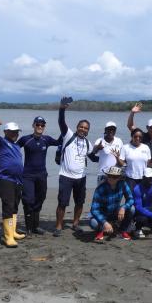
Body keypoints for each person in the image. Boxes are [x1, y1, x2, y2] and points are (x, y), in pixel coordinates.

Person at [54, 96, 94, 237]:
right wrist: (62, 109)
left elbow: (94, 158)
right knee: (62, 202)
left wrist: (104, 151)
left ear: (88, 130)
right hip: (66, 176)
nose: (83, 129)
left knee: (79, 202)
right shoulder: (68, 135)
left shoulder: (89, 143)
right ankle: (59, 226)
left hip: (81, 177)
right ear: (77, 127)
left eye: (86, 128)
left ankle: (75, 224)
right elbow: (61, 122)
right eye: (81, 127)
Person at [16, 116, 60, 235]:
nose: (40, 127)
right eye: (38, 125)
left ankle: (35, 227)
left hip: (42, 175)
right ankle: (29, 228)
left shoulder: (47, 139)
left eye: (42, 125)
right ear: (33, 125)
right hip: (27, 176)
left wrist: (64, 128)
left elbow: (59, 141)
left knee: (40, 200)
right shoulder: (25, 139)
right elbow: (13, 149)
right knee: (28, 200)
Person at [0, 119, 26, 247]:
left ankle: (13, 231)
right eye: (12, 132)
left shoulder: (16, 146)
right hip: (5, 179)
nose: (15, 134)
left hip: (18, 180)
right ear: (6, 132)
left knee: (15, 206)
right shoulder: (0, 142)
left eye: (16, 132)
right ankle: (8, 236)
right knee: (8, 206)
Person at [90, 166, 135, 242]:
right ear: (107, 176)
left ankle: (122, 230)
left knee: (132, 208)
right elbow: (94, 210)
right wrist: (104, 222)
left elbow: (130, 199)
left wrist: (123, 207)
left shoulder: (123, 184)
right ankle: (103, 229)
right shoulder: (100, 188)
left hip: (115, 212)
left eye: (114, 177)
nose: (111, 178)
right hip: (103, 214)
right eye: (109, 176)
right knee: (93, 223)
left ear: (119, 177)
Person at [114, 128, 152, 192]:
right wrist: (117, 158)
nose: (138, 138)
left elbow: (148, 163)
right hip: (130, 178)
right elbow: (122, 164)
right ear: (132, 136)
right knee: (131, 199)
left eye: (140, 137)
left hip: (144, 178)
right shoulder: (125, 147)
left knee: (141, 198)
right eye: (135, 136)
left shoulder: (145, 147)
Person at [126, 102, 152, 173]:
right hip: (143, 170)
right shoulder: (141, 136)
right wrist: (132, 113)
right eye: (151, 127)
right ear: (147, 127)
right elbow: (130, 126)